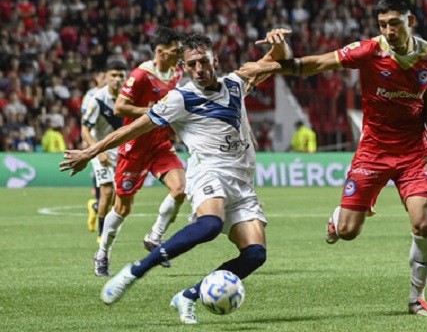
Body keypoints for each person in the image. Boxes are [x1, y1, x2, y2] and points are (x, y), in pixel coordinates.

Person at [241, 0, 427, 316]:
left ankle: (416, 298)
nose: (388, 31)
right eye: (383, 24)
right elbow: (319, 63)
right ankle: (337, 217)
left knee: (423, 224)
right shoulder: (370, 50)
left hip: (414, 151)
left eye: (395, 24)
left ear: (410, 22)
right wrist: (273, 66)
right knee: (347, 232)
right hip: (373, 150)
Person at [60, 28, 291, 324]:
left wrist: (279, 43)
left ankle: (188, 296)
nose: (198, 69)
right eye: (191, 64)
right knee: (210, 224)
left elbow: (278, 60)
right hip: (208, 173)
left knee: (256, 254)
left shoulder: (237, 82)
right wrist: (90, 152)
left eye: (203, 62)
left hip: (242, 185)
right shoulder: (179, 99)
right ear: (182, 67)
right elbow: (130, 128)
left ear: (214, 60)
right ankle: (135, 271)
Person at [101, 26, 186, 274]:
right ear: (160, 51)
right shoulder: (140, 75)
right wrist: (153, 112)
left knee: (180, 190)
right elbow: (120, 107)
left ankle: (154, 238)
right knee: (122, 208)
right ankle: (102, 253)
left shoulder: (176, 74)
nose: (179, 54)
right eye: (175, 51)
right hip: (135, 147)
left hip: (160, 145)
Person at [81, 60, 127, 275]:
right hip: (101, 151)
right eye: (113, 75)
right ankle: (102, 236)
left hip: (122, 152)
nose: (117, 79)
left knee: (121, 197)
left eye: (120, 75)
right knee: (107, 192)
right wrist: (98, 151)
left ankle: (95, 210)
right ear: (106, 76)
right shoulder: (97, 100)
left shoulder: (129, 96)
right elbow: (85, 130)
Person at [80, 69, 106, 233]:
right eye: (103, 76)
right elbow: (85, 121)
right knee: (106, 187)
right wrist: (86, 142)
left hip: (116, 142)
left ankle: (95, 206)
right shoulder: (91, 96)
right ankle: (102, 233)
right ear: (97, 78)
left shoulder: (117, 93)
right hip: (96, 142)